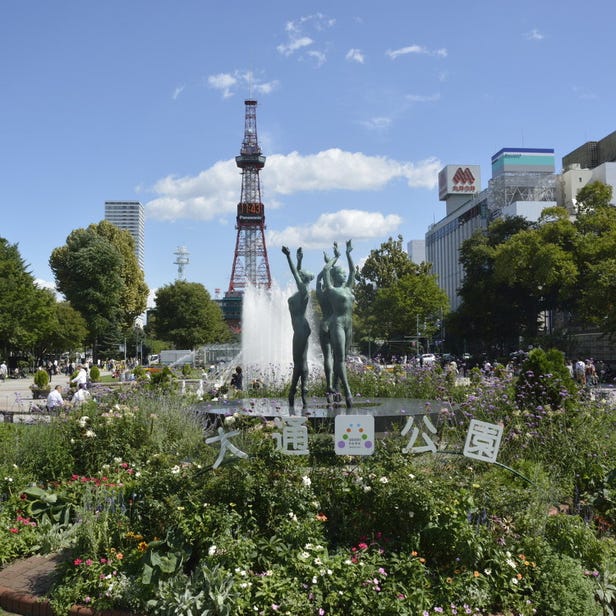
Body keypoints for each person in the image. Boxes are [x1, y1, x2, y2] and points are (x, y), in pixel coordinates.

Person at [321, 240, 355, 408]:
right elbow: (326, 269)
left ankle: (335, 388)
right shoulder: (332, 290)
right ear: (335, 277)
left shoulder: (349, 288)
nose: (343, 275)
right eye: (340, 273)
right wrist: (336, 257)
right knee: (339, 359)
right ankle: (348, 392)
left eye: (343, 273)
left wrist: (348, 254)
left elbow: (353, 271)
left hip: (349, 325)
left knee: (342, 358)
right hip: (338, 324)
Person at [282, 245, 314, 409]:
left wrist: (288, 257)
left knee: (298, 362)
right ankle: (302, 389)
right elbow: (297, 274)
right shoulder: (302, 292)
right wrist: (299, 260)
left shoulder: (303, 291)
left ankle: (295, 390)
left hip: (301, 329)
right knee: (302, 360)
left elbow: (295, 274)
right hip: (302, 328)